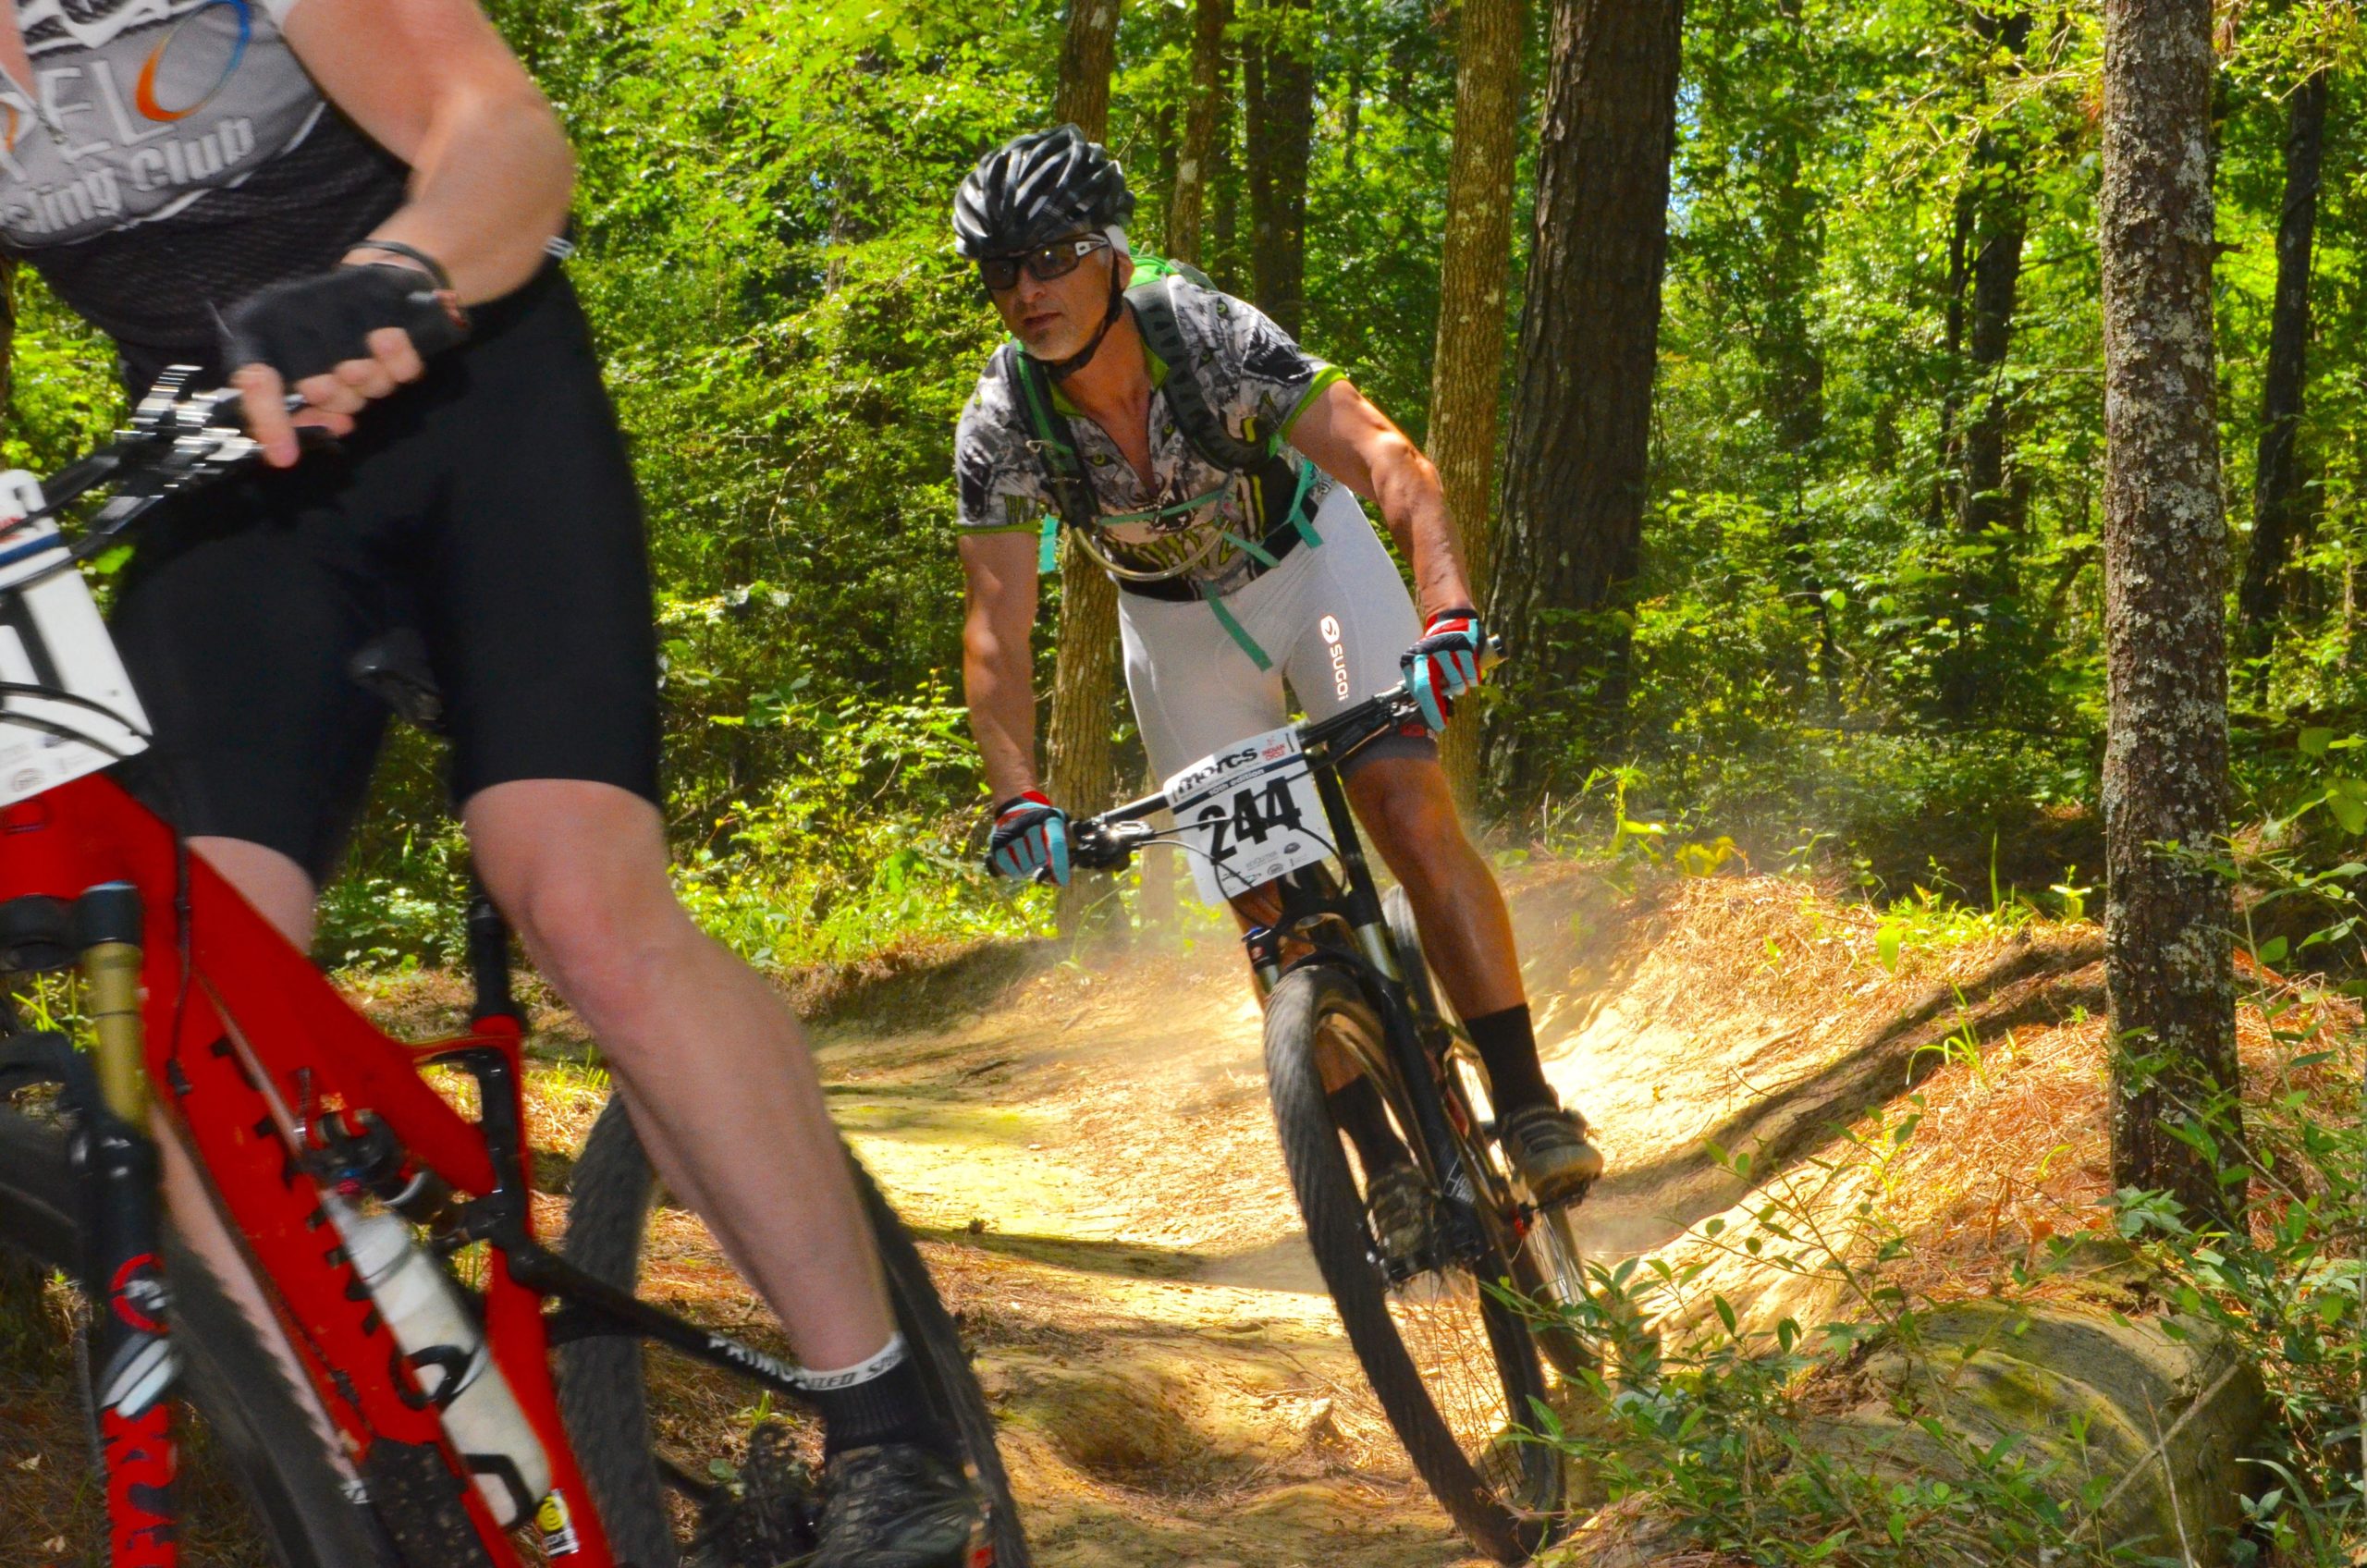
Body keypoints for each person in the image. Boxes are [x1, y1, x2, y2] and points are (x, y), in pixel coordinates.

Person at [0, 0, 974, 1559]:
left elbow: (503, 132)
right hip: (224, 483)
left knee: (576, 893)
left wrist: (393, 273)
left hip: (470, 397)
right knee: (177, 1008)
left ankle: (885, 1424)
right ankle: (374, 1493)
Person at [950, 126, 1604, 1256]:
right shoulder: (1004, 421)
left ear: (1111, 252)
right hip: (1170, 625)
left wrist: (1448, 610)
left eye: (1051, 256)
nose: (1026, 290)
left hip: (1310, 571)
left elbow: (1391, 462)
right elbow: (998, 633)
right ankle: (1383, 1167)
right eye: (1000, 270)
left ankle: (1528, 1097)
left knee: (1403, 805)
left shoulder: (1203, 332)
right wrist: (1018, 795)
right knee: (1268, 908)